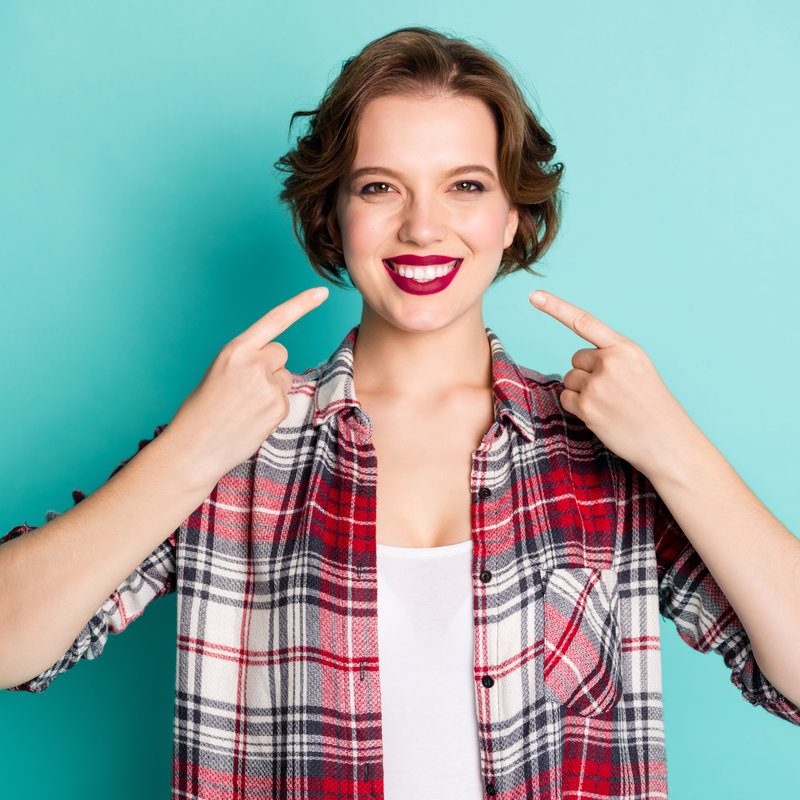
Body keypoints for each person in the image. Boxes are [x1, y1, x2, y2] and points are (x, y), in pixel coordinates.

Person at [1, 25, 798, 800]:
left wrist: (678, 452)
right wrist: (189, 454)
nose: (422, 227)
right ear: (332, 212)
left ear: (512, 215)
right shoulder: (237, 443)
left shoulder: (605, 451)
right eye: (380, 186)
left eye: (466, 186)